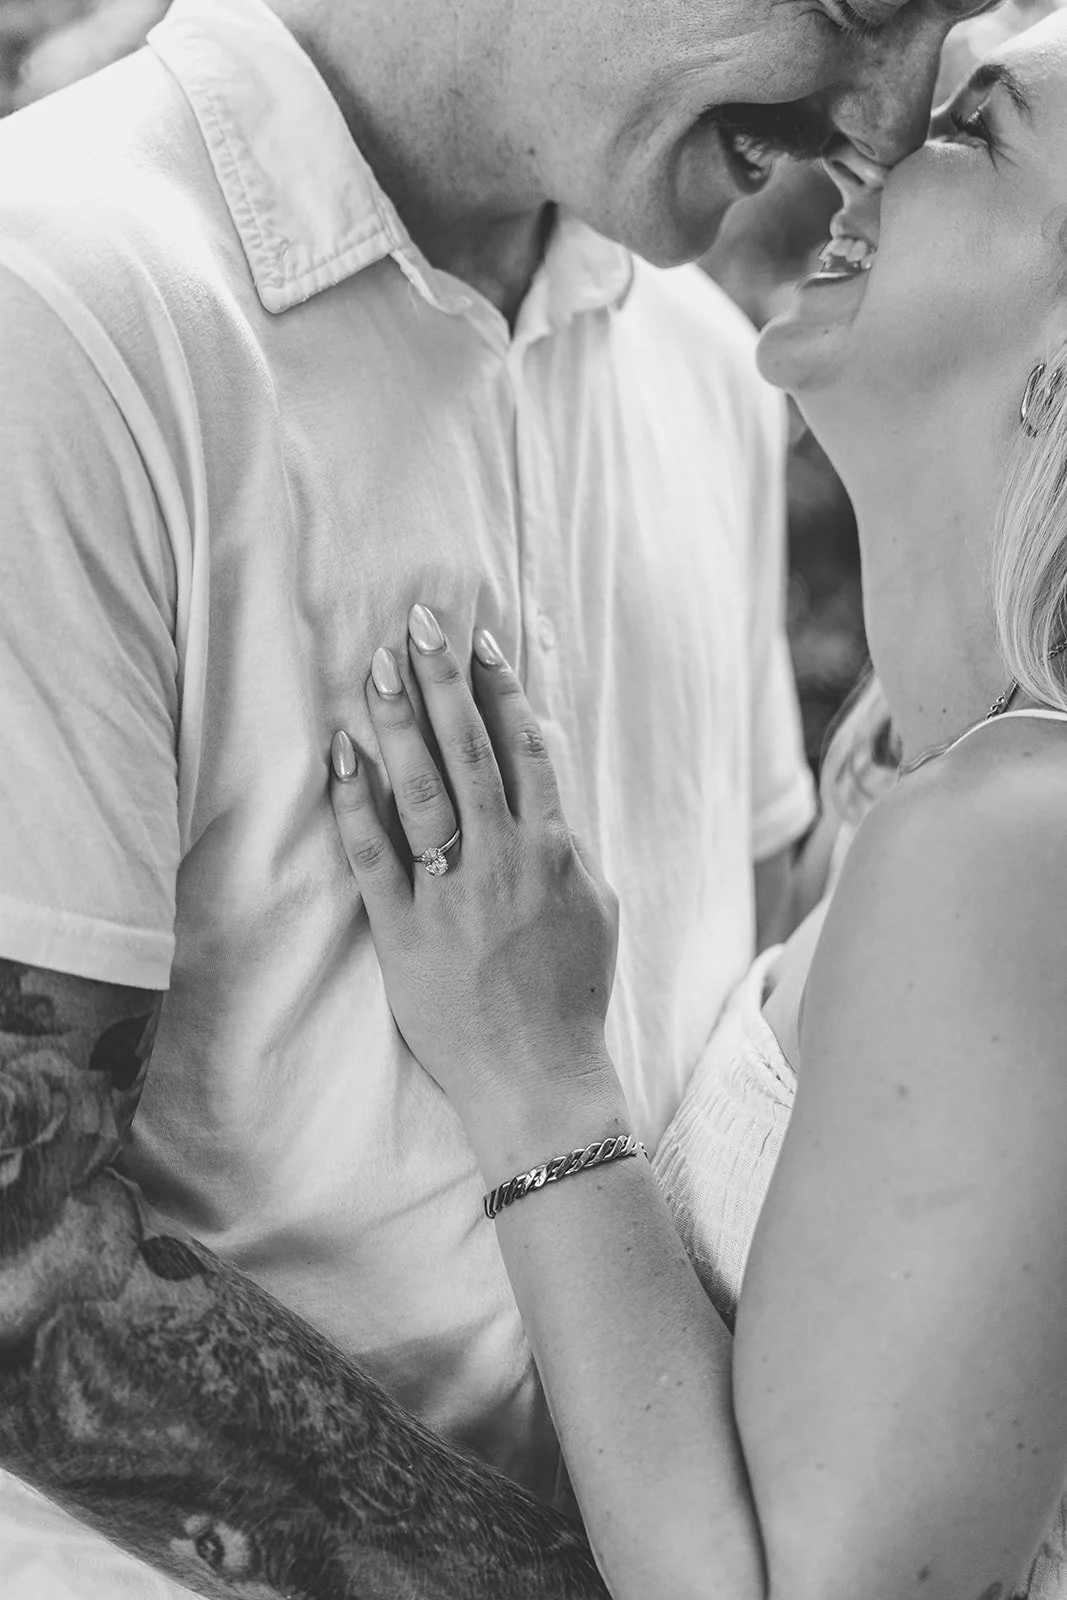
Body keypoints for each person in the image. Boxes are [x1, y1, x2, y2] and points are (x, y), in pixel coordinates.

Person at [0, 0, 981, 1593]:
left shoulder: (710, 374)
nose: (884, 118)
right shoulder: (54, 305)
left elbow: (737, 1084)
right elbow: (16, 1262)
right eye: (864, 4)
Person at [325, 11, 1067, 1599]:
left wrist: (533, 1074)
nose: (871, 141)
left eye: (970, 134)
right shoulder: (923, 781)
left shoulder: (1015, 841)